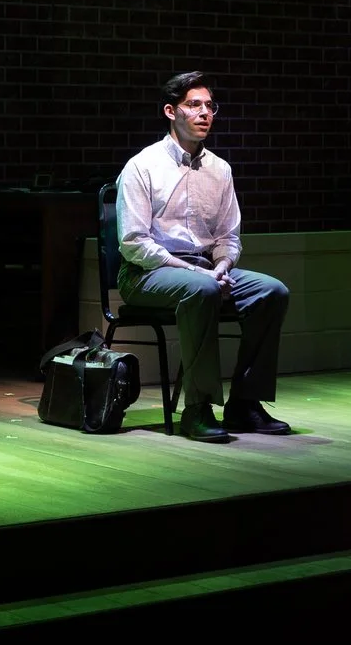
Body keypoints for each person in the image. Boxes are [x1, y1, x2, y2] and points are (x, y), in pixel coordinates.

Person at [115, 72, 295, 443]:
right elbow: (134, 243)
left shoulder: (220, 169)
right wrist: (198, 274)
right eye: (194, 105)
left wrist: (223, 266)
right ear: (171, 111)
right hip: (146, 272)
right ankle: (197, 408)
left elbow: (228, 236)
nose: (204, 113)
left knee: (271, 291)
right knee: (202, 290)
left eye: (210, 106)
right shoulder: (143, 166)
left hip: (206, 270)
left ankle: (245, 403)